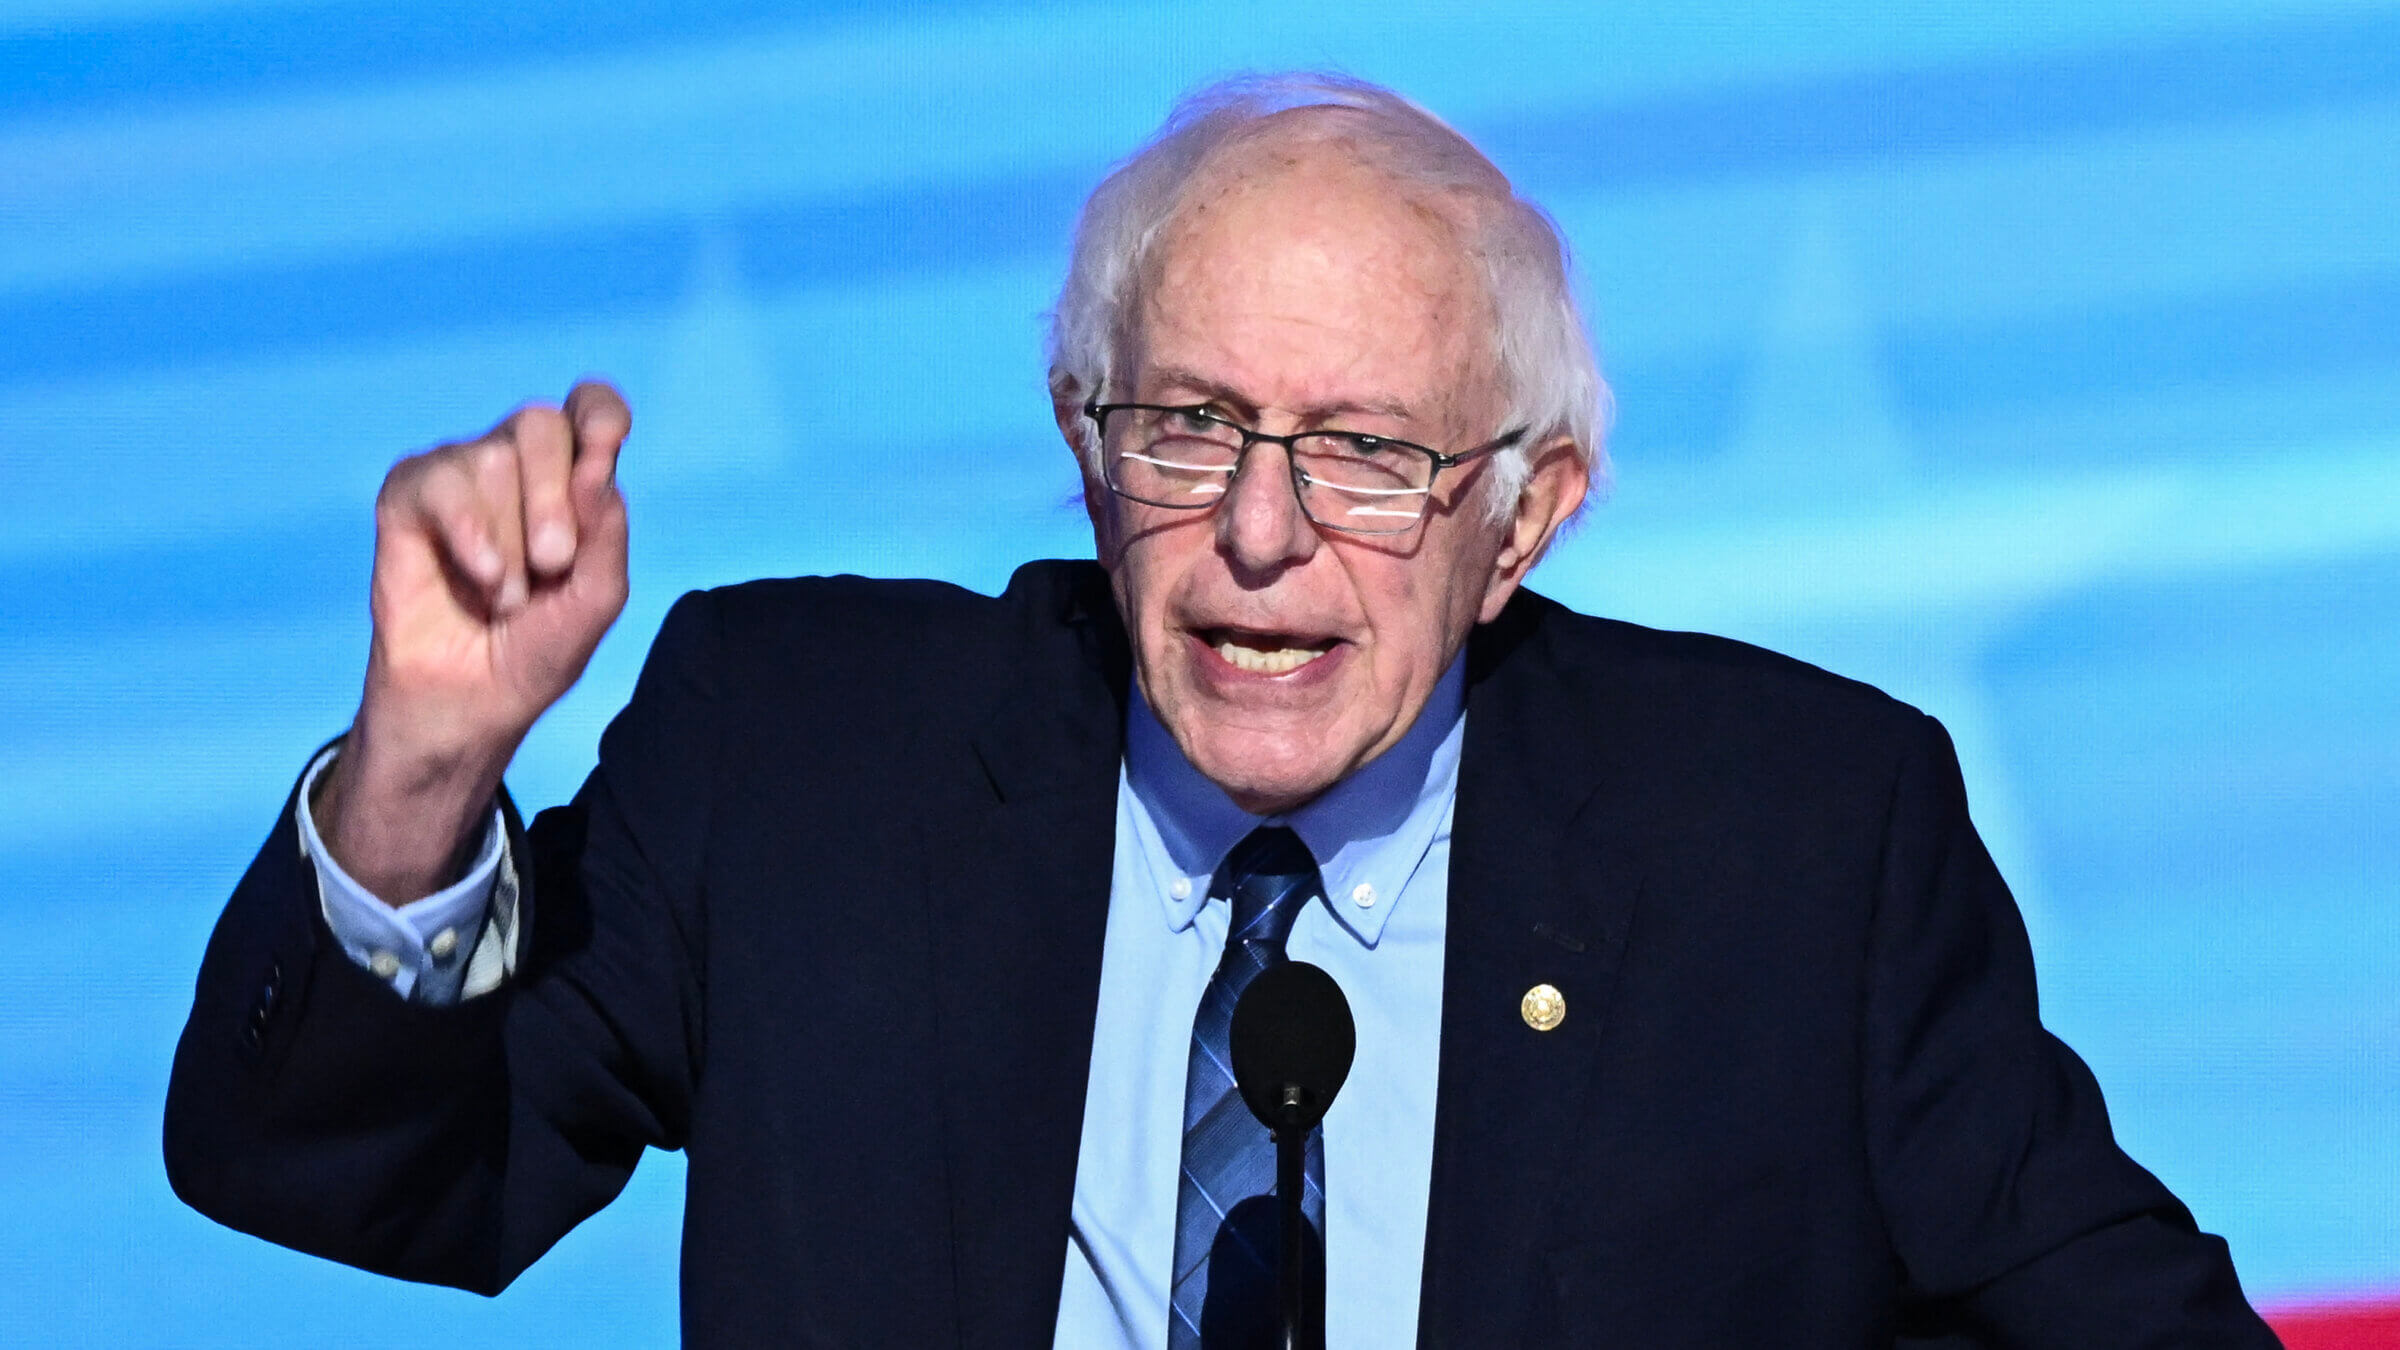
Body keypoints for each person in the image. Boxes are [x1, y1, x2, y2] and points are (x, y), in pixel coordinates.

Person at [165, 74, 2280, 1348]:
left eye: (1367, 454)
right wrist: (428, 773)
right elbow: (350, 1185)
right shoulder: (806, 752)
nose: (1263, 534)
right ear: (1084, 445)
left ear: (1526, 515)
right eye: (1191, 427)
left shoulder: (1799, 845)